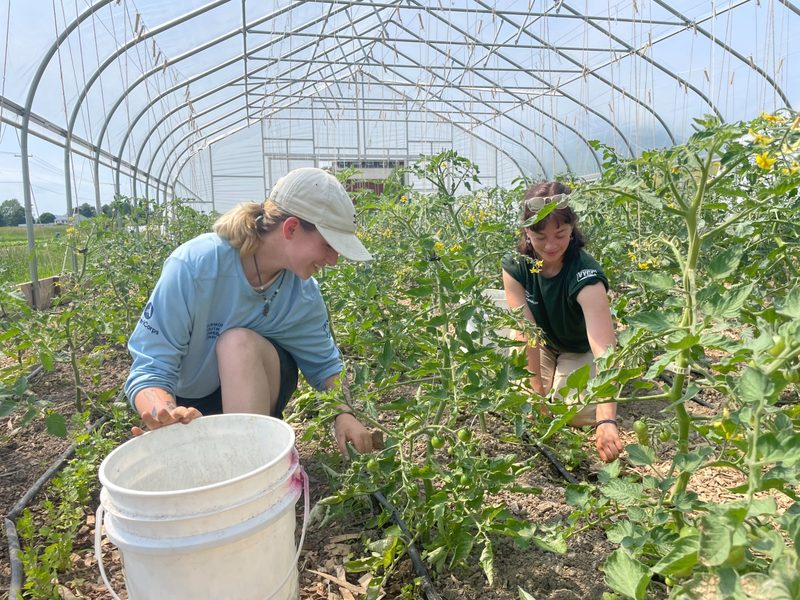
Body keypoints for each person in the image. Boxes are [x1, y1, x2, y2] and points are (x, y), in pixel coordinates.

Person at [124, 167, 375, 456]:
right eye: (328, 245)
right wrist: (165, 412)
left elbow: (325, 366)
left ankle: (250, 459)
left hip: (254, 393)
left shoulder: (301, 294)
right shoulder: (195, 267)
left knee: (238, 342)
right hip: (187, 403)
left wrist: (344, 413)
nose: (333, 260)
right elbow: (151, 369)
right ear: (291, 228)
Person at [501, 181, 623, 463]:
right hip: (543, 344)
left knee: (575, 413)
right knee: (526, 405)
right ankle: (554, 387)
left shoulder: (585, 275)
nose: (551, 245)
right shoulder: (517, 266)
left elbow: (603, 350)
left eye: (561, 234)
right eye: (539, 236)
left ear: (573, 230)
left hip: (580, 348)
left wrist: (606, 423)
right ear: (526, 231)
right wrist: (538, 399)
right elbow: (526, 333)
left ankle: (610, 392)